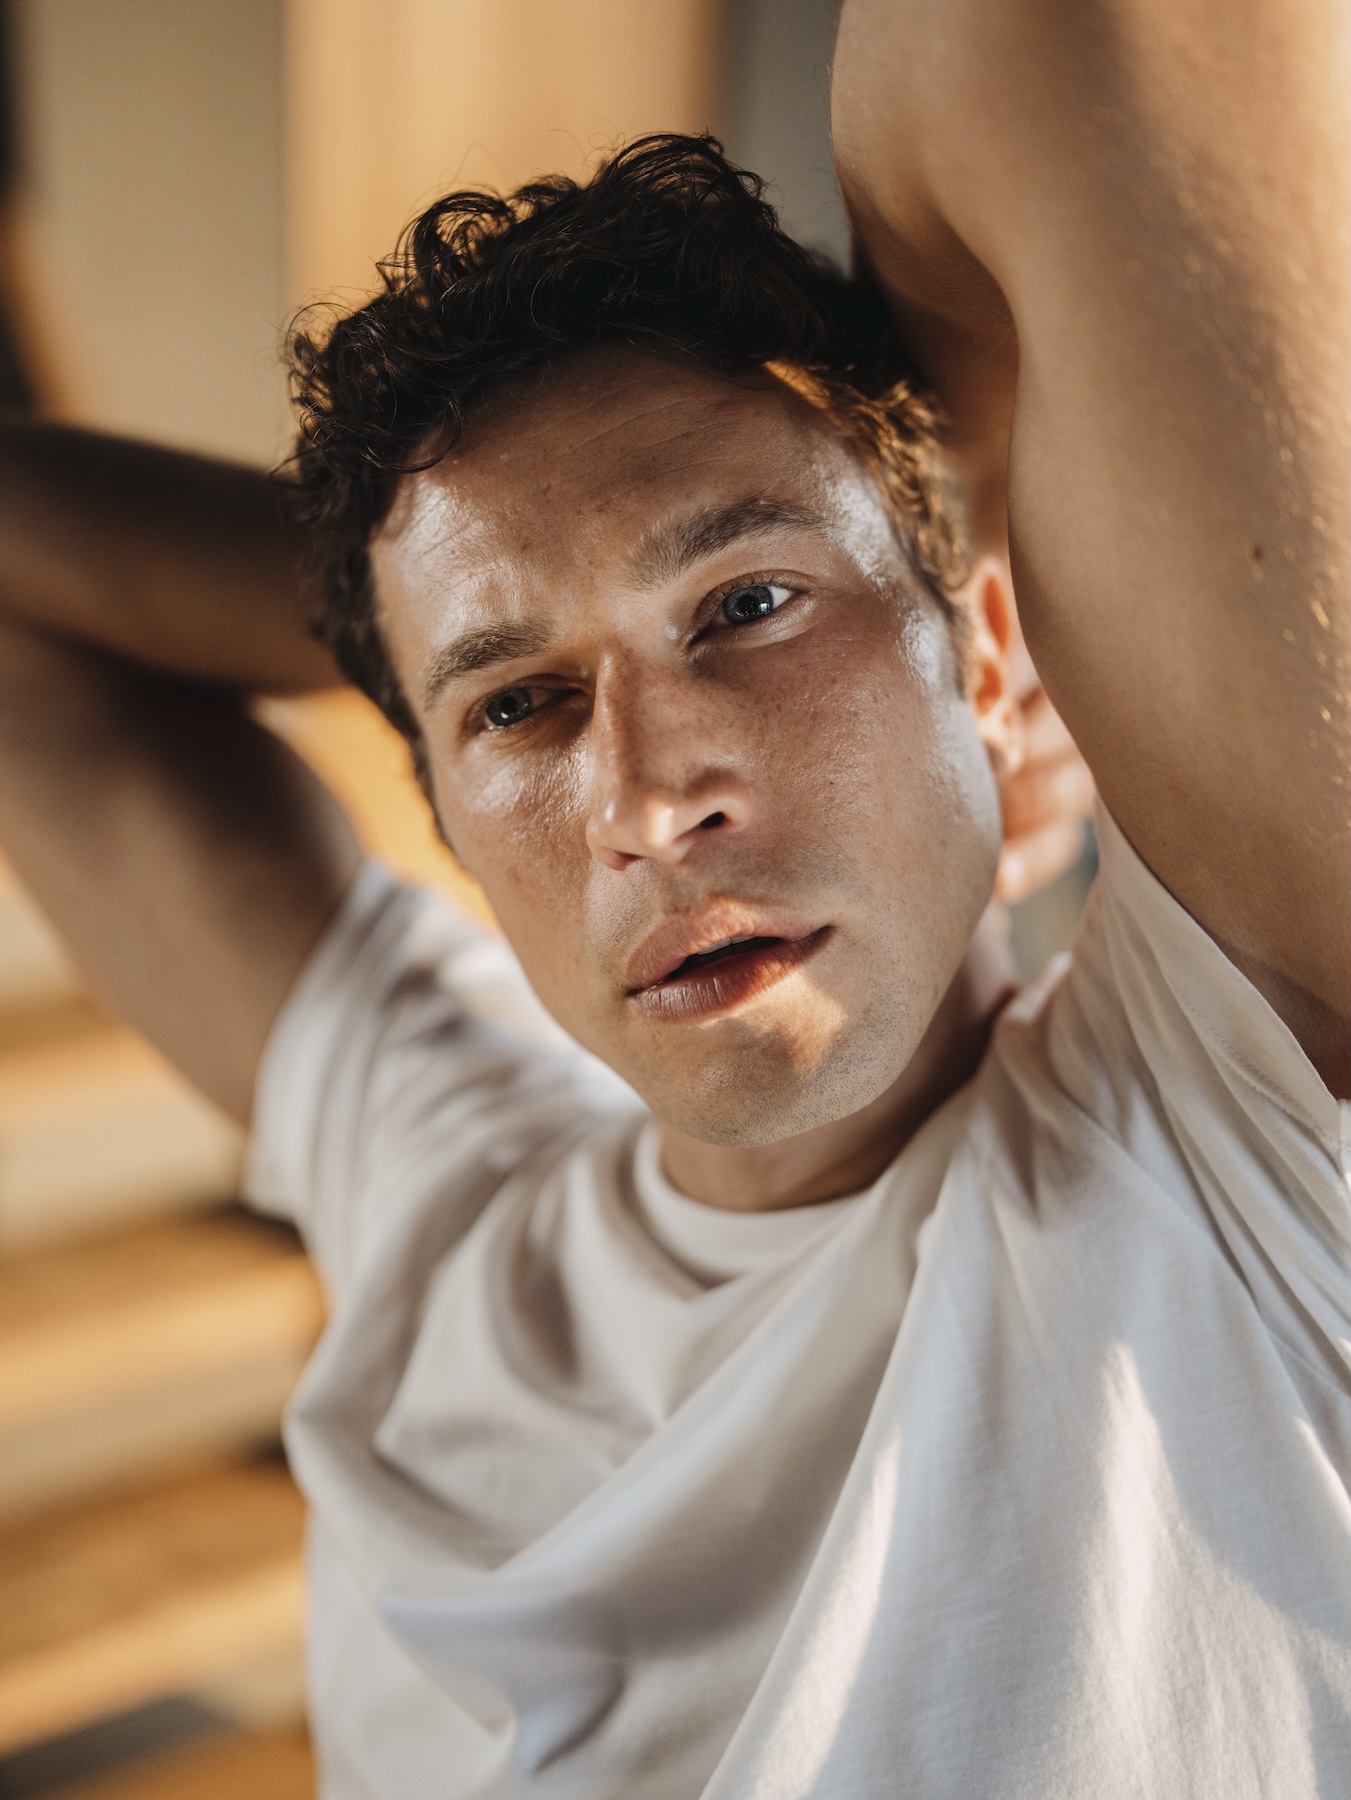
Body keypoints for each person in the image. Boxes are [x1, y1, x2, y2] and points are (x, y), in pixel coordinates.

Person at [0, 1, 1346, 1793]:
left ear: (998, 664)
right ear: (452, 816)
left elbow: (1072, 34)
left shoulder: (1238, 1142)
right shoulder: (443, 1185)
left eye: (747, 607)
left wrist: (967, 512)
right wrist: (421, 595)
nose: (644, 798)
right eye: (522, 707)